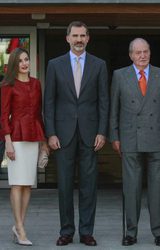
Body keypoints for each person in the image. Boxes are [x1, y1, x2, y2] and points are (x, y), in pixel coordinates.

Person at [44, 21, 109, 246]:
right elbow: (49, 102)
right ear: (68, 38)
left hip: (91, 134)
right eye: (75, 36)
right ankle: (66, 232)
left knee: (89, 186)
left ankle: (86, 232)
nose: (79, 40)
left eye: (83, 36)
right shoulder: (55, 65)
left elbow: (104, 101)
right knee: (64, 186)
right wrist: (50, 133)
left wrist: (102, 131)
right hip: (62, 135)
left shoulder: (99, 65)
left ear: (88, 38)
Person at [109, 38, 160, 246]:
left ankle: (159, 232)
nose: (142, 56)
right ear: (131, 55)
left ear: (150, 53)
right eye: (138, 52)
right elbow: (114, 109)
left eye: (145, 51)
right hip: (130, 138)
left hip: (158, 138)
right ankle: (131, 232)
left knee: (157, 190)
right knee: (131, 189)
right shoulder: (119, 75)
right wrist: (115, 135)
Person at [0, 47, 48, 246]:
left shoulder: (36, 84)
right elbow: (3, 116)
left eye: (26, 59)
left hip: (33, 136)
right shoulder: (7, 85)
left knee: (27, 184)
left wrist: (44, 143)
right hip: (16, 138)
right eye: (20, 61)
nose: (24, 63)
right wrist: (8, 142)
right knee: (17, 183)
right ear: (14, 64)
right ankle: (19, 227)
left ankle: (19, 224)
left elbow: (39, 113)